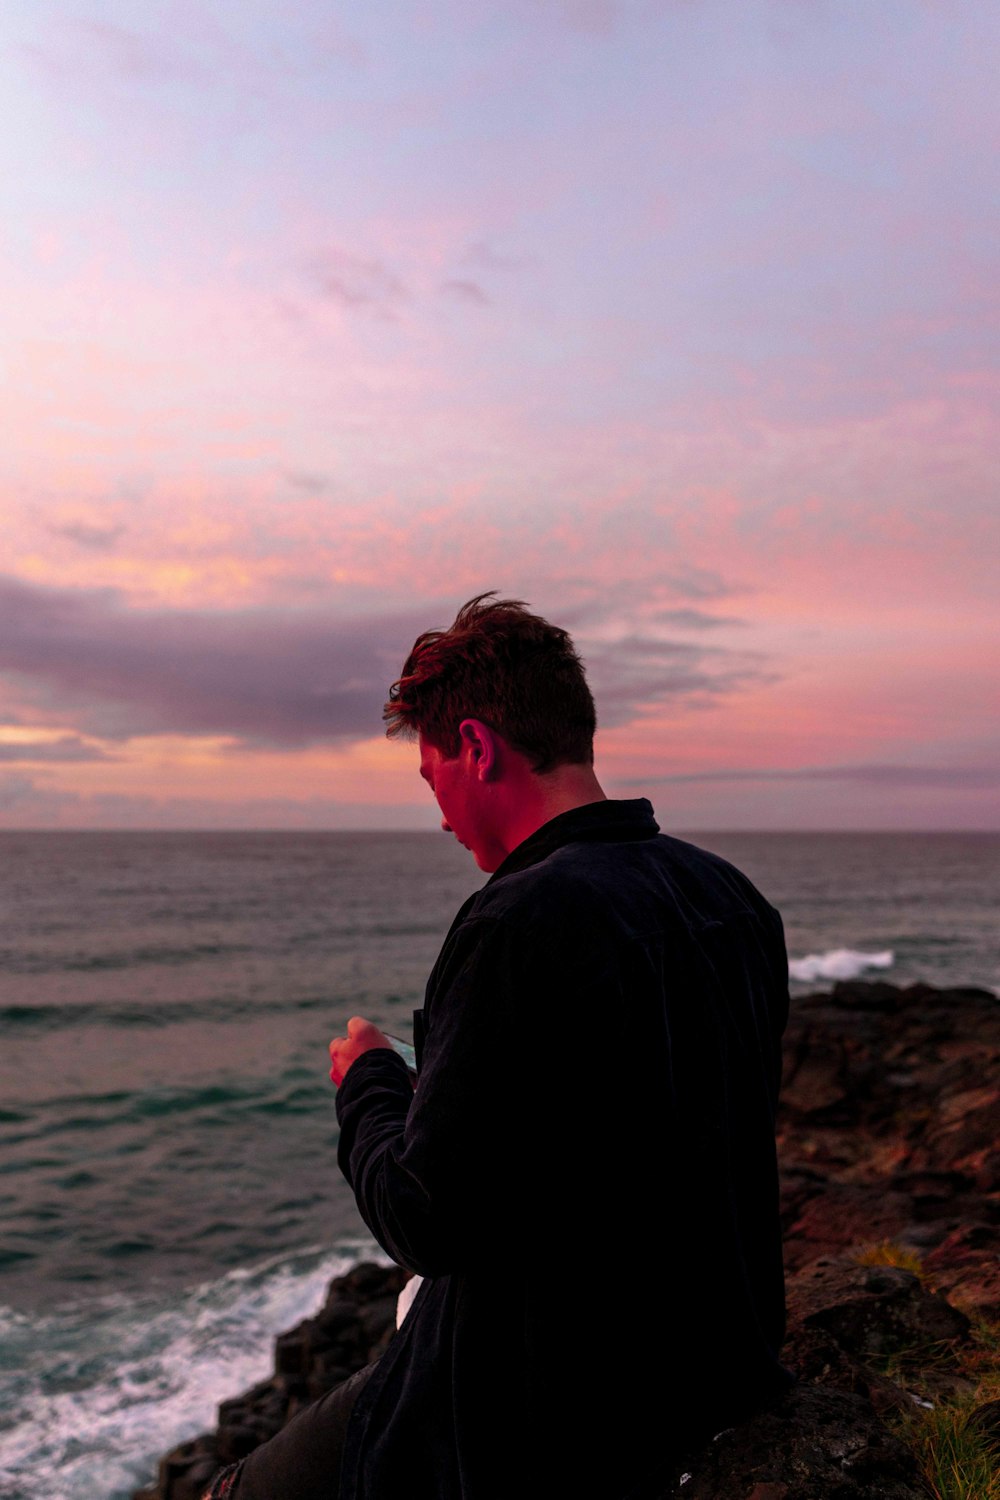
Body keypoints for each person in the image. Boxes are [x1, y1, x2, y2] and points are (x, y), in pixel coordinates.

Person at [208, 593, 791, 1499]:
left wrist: (368, 1080)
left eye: (432, 777)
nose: (440, 815)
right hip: (722, 1362)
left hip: (553, 1412)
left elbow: (426, 1217)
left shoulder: (519, 921)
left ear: (477, 749)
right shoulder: (732, 898)